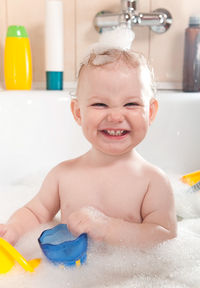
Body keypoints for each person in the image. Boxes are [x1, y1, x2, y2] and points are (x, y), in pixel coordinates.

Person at [0, 48, 177, 248]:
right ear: (78, 113)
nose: (116, 117)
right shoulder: (63, 175)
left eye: (131, 104)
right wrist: (13, 229)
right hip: (70, 275)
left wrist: (109, 229)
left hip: (131, 275)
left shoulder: (153, 182)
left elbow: (165, 236)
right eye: (100, 104)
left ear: (151, 112)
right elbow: (34, 212)